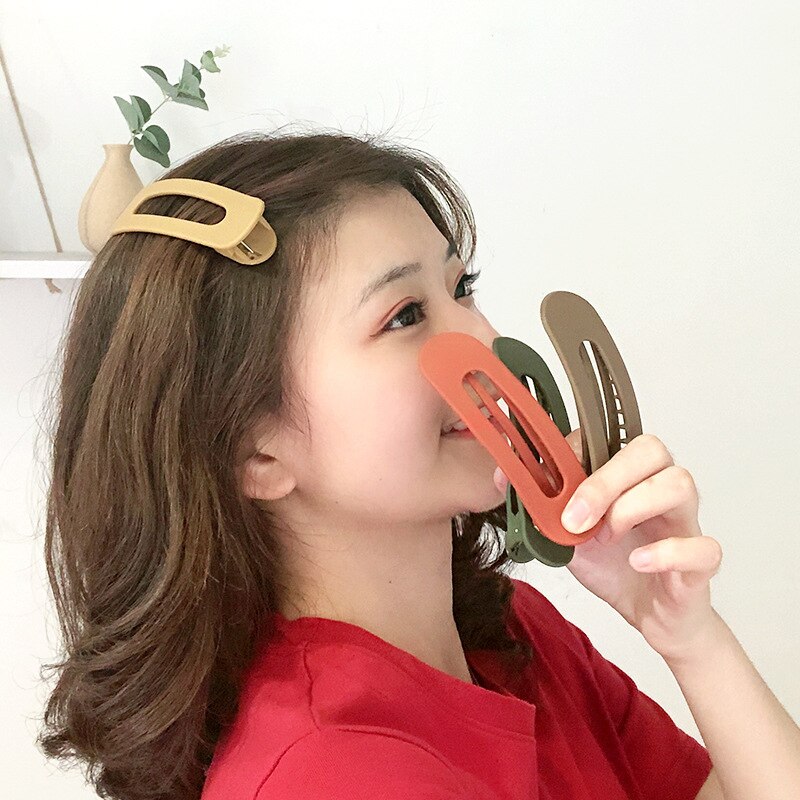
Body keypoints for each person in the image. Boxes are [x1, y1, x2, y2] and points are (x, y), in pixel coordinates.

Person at [37, 129, 800, 800]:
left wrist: (687, 633)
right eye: (404, 315)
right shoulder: (328, 775)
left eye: (461, 288)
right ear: (256, 451)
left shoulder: (510, 634)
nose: (483, 340)